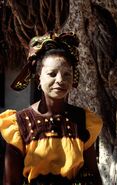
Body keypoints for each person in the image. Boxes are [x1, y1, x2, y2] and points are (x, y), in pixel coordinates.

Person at [0, 32, 103, 185]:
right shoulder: (19, 125)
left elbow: (94, 176)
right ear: (38, 78)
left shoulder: (83, 121)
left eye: (67, 74)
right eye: (52, 74)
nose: (60, 80)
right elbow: (10, 181)